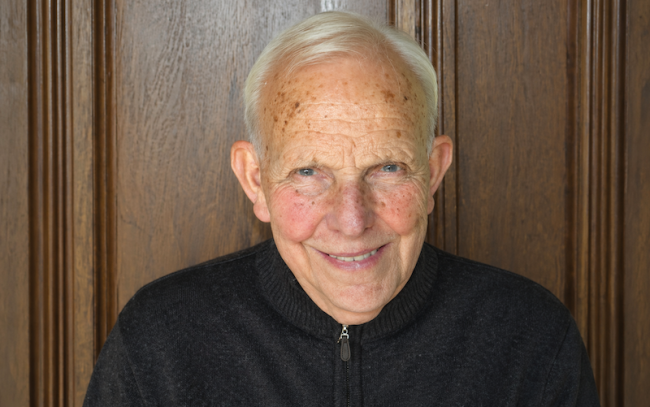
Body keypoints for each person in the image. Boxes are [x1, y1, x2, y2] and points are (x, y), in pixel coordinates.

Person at [83, 11, 600, 406]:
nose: (352, 222)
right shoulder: (159, 342)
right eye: (309, 172)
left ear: (433, 172)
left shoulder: (531, 339)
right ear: (255, 180)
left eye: (387, 168)